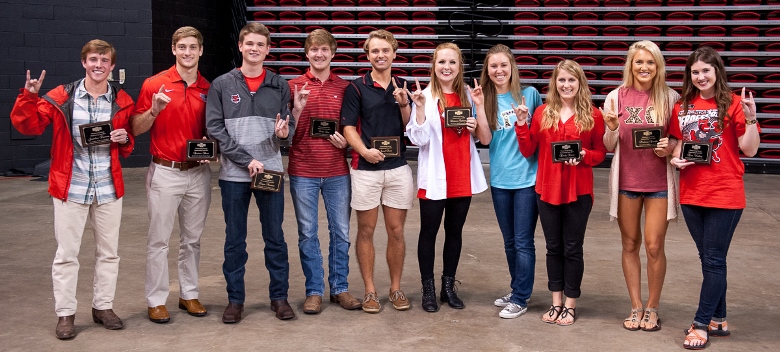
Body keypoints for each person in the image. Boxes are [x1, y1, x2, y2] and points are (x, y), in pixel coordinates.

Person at [10, 39, 134, 339]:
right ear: (83, 62)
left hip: (107, 186)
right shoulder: (61, 96)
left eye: (105, 61)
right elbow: (29, 126)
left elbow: (127, 145)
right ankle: (65, 314)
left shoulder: (122, 100)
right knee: (66, 255)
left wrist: (123, 139)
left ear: (112, 66)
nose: (98, 65)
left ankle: (103, 307)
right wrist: (28, 97)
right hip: (71, 186)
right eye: (93, 59)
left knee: (109, 253)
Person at [668, 46, 760, 350]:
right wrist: (676, 159)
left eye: (706, 70)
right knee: (709, 259)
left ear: (717, 71)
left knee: (714, 259)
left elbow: (750, 149)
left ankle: (700, 324)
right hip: (692, 193)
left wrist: (750, 120)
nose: (701, 76)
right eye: (695, 71)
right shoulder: (683, 106)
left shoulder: (733, 104)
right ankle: (718, 319)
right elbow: (679, 144)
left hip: (725, 193)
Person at [206, 22, 295, 323]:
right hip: (234, 176)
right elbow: (215, 127)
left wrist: (283, 135)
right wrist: (245, 159)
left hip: (270, 171)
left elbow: (287, 129)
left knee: (275, 237)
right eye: (250, 43)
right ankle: (235, 300)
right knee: (235, 239)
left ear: (268, 49)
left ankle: (279, 298)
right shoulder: (222, 84)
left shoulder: (279, 85)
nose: (255, 48)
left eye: (261, 44)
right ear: (241, 46)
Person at [515, 59, 606, 326]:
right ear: (554, 83)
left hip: (579, 192)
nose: (566, 85)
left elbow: (601, 153)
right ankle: (556, 301)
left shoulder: (593, 115)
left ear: (580, 83)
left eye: (571, 80)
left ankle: (570, 304)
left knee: (573, 248)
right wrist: (521, 124)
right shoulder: (542, 112)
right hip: (547, 191)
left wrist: (584, 155)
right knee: (553, 248)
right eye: (561, 80)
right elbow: (527, 150)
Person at [131, 26, 212, 324]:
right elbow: (136, 128)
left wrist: (213, 146)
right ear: (173, 49)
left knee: (192, 240)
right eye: (182, 47)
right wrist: (152, 111)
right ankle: (156, 300)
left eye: (193, 47)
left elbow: (213, 130)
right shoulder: (155, 84)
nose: (187, 52)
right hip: (165, 172)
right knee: (159, 240)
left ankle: (188, 294)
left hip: (199, 173)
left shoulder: (208, 87)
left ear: (201, 50)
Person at [602, 40, 680, 332]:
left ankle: (653, 307)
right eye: (639, 62)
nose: (644, 67)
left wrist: (668, 147)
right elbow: (609, 144)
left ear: (658, 66)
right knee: (630, 244)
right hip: (626, 183)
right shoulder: (616, 97)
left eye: (650, 62)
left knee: (654, 245)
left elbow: (678, 140)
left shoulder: (671, 97)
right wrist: (610, 127)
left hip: (659, 182)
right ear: (630, 65)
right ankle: (635, 306)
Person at [405, 43, 488, 312]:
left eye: (452, 62)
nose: (447, 67)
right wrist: (418, 109)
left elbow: (483, 137)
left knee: (454, 233)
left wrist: (476, 121)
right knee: (428, 233)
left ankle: (448, 287)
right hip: (435, 176)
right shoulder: (425, 97)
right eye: (442, 62)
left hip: (461, 174)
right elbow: (418, 140)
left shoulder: (468, 94)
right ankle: (427, 289)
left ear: (459, 66)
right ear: (434, 65)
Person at [287, 29, 362, 314]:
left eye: (324, 49)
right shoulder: (292, 86)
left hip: (336, 170)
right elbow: (285, 134)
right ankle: (314, 290)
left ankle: (339, 288)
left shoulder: (344, 88)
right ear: (307, 53)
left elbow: (351, 127)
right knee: (307, 233)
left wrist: (347, 143)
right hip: (302, 170)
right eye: (314, 49)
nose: (319, 54)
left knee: (341, 232)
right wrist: (295, 110)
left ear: (333, 53)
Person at [341, 29, 414, 314]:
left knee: (396, 231)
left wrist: (404, 102)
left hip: (397, 169)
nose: (380, 55)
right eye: (375, 51)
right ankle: (370, 291)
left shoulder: (404, 85)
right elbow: (347, 127)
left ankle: (395, 289)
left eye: (385, 50)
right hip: (366, 170)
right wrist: (363, 151)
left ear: (394, 53)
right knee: (366, 231)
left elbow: (411, 128)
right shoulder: (356, 87)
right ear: (368, 55)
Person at [476, 44, 543, 319]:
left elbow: (539, 134)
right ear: (487, 70)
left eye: (503, 65)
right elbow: (485, 140)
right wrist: (479, 107)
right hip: (501, 179)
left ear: (512, 67)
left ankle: (520, 297)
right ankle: (517, 288)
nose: (499, 70)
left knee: (523, 240)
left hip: (527, 178)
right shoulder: (485, 98)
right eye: (493, 66)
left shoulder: (529, 95)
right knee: (508, 241)